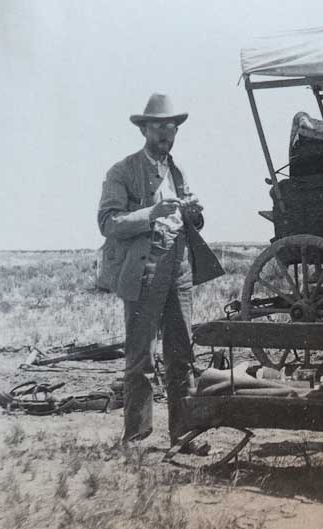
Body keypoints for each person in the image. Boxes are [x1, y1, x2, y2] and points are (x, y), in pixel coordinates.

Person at [98, 93, 222, 454]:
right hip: (145, 270)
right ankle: (135, 438)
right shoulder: (122, 171)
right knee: (141, 357)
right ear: (145, 129)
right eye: (159, 126)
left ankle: (182, 433)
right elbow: (108, 223)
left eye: (171, 126)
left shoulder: (177, 169)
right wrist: (152, 213)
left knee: (181, 353)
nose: (166, 133)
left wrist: (194, 213)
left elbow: (187, 220)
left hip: (179, 268)